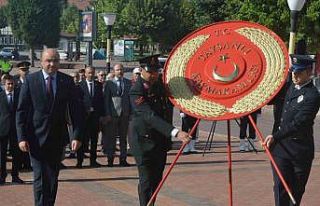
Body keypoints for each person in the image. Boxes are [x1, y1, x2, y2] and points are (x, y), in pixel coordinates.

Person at [16, 48, 83, 206]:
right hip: (35, 138)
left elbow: (76, 111)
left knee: (52, 178)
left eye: (55, 60)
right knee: (39, 178)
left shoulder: (66, 81)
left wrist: (77, 135)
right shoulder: (31, 81)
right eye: (48, 61)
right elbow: (21, 111)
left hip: (57, 138)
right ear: (41, 63)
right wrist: (21, 137)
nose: (52, 64)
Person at [129, 55, 191, 206]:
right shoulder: (136, 91)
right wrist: (176, 132)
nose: (154, 75)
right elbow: (150, 116)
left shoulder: (159, 86)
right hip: (143, 142)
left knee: (157, 179)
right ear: (142, 70)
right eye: (150, 72)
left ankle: (151, 203)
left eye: (156, 71)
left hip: (160, 141)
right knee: (146, 180)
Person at [264, 54, 320, 206]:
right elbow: (269, 98)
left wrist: (275, 136)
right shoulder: (288, 87)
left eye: (299, 72)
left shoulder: (313, 95)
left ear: (309, 72)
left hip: (299, 151)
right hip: (280, 149)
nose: (295, 76)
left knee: (295, 191)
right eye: (293, 72)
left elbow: (299, 123)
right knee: (280, 188)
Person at [103, 64, 131, 167]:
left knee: (123, 138)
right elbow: (106, 100)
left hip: (125, 113)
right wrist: (107, 114)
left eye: (121, 69)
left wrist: (130, 113)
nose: (120, 71)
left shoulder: (128, 83)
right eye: (118, 70)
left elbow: (130, 99)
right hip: (113, 114)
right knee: (112, 138)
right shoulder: (109, 83)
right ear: (114, 71)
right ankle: (110, 159)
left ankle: (123, 159)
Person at [76, 67, 104, 168]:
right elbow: (78, 102)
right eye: (89, 73)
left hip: (95, 117)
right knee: (82, 140)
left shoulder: (98, 85)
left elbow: (101, 101)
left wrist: (101, 115)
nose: (91, 75)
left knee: (94, 140)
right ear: (85, 74)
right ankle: (79, 161)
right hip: (84, 117)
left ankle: (93, 161)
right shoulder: (79, 86)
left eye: (92, 73)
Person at [0, 75, 24, 184]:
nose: (10, 86)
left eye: (12, 84)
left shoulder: (19, 96)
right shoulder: (0, 96)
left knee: (16, 154)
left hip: (15, 129)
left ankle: (15, 175)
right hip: (2, 129)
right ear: (4, 84)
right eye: (8, 84)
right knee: (2, 155)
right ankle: (2, 176)